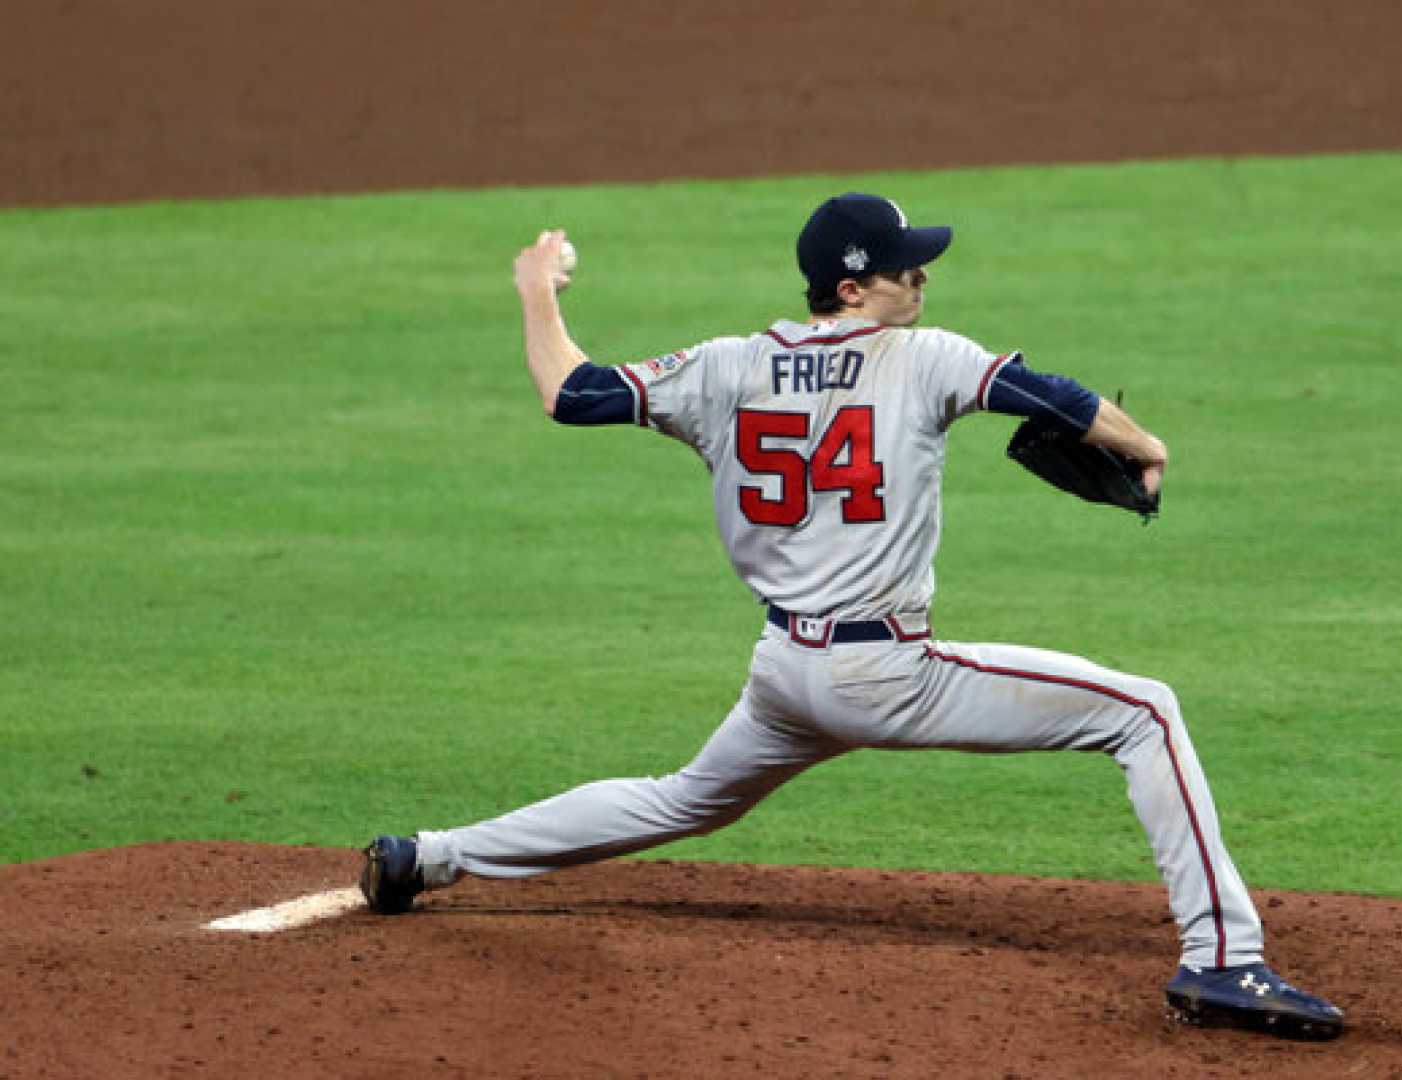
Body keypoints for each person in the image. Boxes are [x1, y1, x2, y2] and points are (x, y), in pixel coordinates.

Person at [361, 193, 1345, 1040]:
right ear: (849, 287)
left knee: (679, 801)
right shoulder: (923, 359)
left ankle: (429, 857)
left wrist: (537, 286)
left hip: (786, 675)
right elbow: (1047, 394)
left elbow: (569, 393)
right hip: (888, 677)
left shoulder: (726, 365)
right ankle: (1223, 956)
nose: (921, 282)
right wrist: (1145, 441)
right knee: (1144, 711)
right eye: (904, 272)